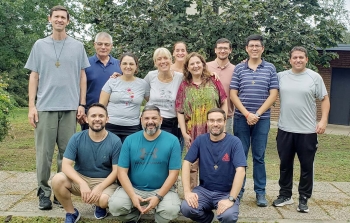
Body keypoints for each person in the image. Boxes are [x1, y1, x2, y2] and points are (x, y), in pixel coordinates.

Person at [25, 5, 90, 210]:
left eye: (63, 17)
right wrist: (31, 106)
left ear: (68, 21)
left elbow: (82, 76)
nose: (59, 20)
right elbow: (34, 76)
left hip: (70, 107)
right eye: (56, 17)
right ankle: (43, 193)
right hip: (45, 107)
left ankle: (61, 192)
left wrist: (81, 104)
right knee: (44, 154)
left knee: (67, 155)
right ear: (50, 19)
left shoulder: (78, 46)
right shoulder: (39, 45)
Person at [272, 46, 330, 213]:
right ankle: (285, 195)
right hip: (285, 130)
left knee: (306, 166)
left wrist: (323, 120)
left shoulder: (314, 77)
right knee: (285, 165)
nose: (298, 60)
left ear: (306, 59)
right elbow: (265, 85)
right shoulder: (280, 77)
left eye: (301, 57)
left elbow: (324, 100)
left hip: (307, 132)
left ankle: (303, 198)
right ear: (290, 60)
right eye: (295, 57)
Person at [108, 105, 181, 223]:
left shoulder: (172, 140)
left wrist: (158, 197)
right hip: (134, 188)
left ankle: (160, 220)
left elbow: (174, 173)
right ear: (141, 120)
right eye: (146, 118)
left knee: (171, 210)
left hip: (162, 189)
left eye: (154, 118)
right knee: (115, 206)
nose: (150, 121)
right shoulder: (130, 140)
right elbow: (122, 172)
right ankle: (133, 217)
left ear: (161, 120)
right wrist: (132, 196)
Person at [230, 34, 278, 207]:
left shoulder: (270, 68)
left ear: (262, 48)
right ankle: (238, 192)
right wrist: (247, 114)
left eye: (258, 45)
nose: (254, 48)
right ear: (246, 48)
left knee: (259, 157)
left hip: (262, 119)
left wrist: (256, 114)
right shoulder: (239, 69)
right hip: (241, 119)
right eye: (251, 46)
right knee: (240, 156)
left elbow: (273, 94)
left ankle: (260, 193)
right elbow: (233, 94)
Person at [51, 103, 122, 222]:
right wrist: (82, 183)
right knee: (57, 179)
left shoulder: (115, 141)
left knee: (104, 200)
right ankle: (71, 213)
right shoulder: (77, 138)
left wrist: (100, 187)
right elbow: (66, 165)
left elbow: (116, 171)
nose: (97, 119)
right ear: (86, 119)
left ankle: (99, 205)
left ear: (107, 119)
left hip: (104, 181)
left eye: (101, 116)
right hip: (80, 178)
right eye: (93, 116)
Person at [180, 108, 246, 223]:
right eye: (212, 120)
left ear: (225, 122)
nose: (215, 124)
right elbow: (186, 163)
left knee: (229, 216)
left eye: (219, 120)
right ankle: (207, 219)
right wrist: (187, 192)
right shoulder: (200, 140)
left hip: (226, 192)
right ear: (207, 122)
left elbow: (241, 171)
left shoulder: (234, 142)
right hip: (204, 190)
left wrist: (231, 199)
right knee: (186, 208)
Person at [176, 52, 228, 189]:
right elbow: (180, 110)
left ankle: (213, 190)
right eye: (191, 63)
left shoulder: (213, 81)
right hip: (192, 130)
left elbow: (224, 102)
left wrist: (224, 123)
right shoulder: (184, 86)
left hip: (213, 129)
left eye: (198, 63)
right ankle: (192, 192)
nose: (195, 66)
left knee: (213, 161)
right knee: (192, 164)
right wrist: (183, 132)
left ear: (203, 64)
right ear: (187, 67)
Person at [99, 52, 148, 142]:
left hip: (132, 128)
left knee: (130, 155)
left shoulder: (143, 84)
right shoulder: (112, 81)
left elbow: (152, 101)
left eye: (131, 64)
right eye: (124, 63)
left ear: (136, 66)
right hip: (110, 126)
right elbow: (101, 105)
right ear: (120, 65)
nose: (128, 66)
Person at [80, 32, 122, 130]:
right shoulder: (85, 64)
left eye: (107, 44)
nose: (103, 47)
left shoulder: (120, 65)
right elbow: (78, 88)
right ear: (95, 45)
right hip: (91, 114)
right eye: (100, 44)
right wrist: (81, 107)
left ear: (111, 46)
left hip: (113, 115)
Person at [144, 48, 183, 138]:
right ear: (155, 62)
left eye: (165, 58)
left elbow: (196, 78)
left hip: (171, 122)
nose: (163, 61)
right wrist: (120, 77)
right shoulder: (150, 76)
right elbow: (138, 87)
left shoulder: (180, 77)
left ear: (171, 60)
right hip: (151, 121)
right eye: (159, 59)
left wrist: (211, 74)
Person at [207, 38, 236, 134]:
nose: (222, 51)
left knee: (224, 146)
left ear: (230, 50)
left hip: (227, 117)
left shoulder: (236, 70)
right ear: (215, 50)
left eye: (225, 48)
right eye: (220, 48)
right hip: (207, 116)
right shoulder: (205, 67)